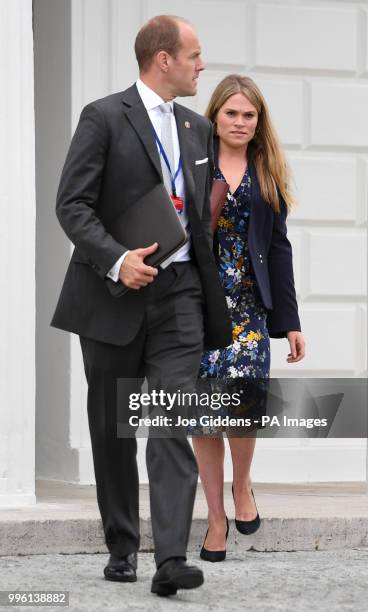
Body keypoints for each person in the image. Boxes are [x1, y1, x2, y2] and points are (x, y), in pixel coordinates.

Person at [51, 15, 231, 596]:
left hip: (180, 296)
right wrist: (116, 259)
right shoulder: (103, 117)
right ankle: (123, 544)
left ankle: (171, 558)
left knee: (173, 421)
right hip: (113, 295)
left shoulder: (199, 129)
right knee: (114, 430)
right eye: (195, 55)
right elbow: (72, 205)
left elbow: (201, 220)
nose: (202, 65)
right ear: (163, 59)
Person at [191, 74, 305, 562]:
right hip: (195, 306)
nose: (240, 122)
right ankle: (215, 517)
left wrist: (290, 321)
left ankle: (243, 486)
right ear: (215, 115)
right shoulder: (192, 164)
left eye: (249, 115)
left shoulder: (266, 172)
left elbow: (279, 250)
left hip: (248, 311)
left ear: (259, 123)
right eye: (232, 113)